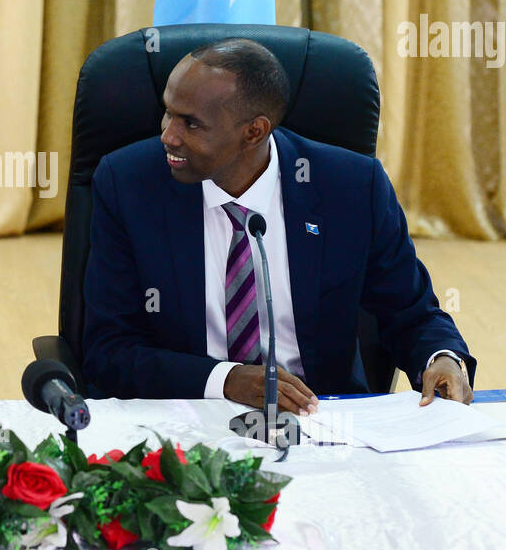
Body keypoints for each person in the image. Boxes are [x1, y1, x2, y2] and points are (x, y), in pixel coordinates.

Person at [82, 38, 474, 412]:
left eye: (191, 124)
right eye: (168, 112)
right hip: (185, 416)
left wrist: (440, 357)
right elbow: (108, 348)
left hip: (319, 420)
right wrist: (225, 380)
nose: (168, 135)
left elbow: (410, 310)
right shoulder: (128, 183)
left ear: (254, 131)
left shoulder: (351, 187)